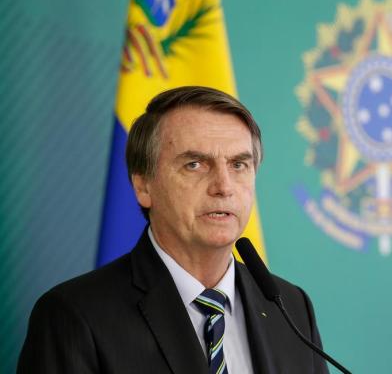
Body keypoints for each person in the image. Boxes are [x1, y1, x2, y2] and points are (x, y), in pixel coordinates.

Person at [18, 86, 328, 373]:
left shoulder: (291, 307)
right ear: (143, 185)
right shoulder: (75, 315)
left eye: (238, 165)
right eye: (195, 164)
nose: (224, 187)